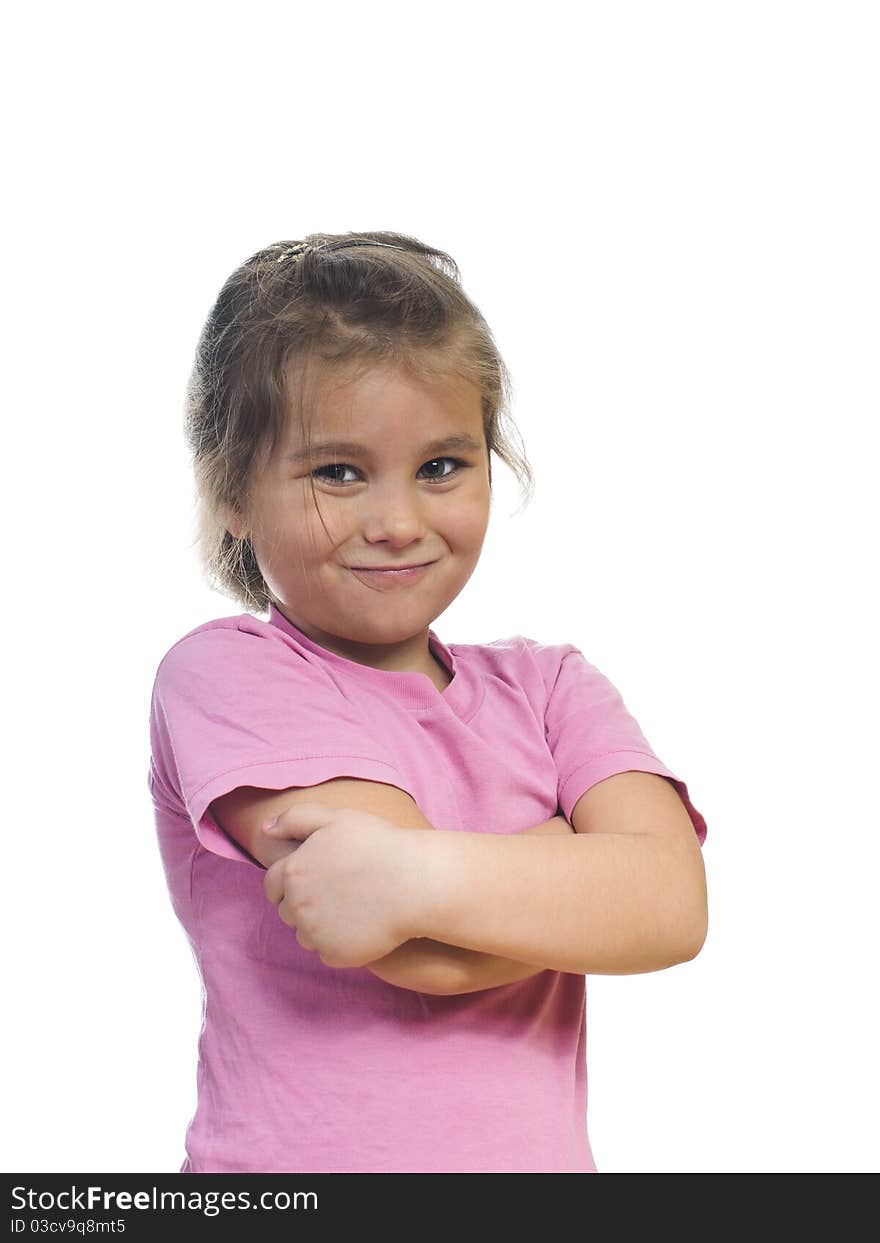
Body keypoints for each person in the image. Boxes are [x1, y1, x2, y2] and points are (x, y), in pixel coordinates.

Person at [147, 231, 709, 1174]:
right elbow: (422, 954)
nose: (398, 521)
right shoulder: (228, 675)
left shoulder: (552, 685)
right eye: (338, 472)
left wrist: (420, 874)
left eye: (441, 466)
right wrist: (583, 862)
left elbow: (673, 907)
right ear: (233, 490)